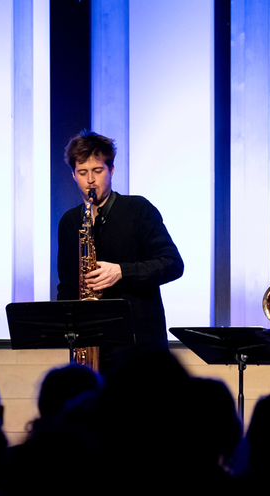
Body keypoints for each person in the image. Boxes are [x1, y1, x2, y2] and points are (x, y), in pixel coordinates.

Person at [56, 130, 183, 371]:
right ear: (74, 175)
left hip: (139, 349)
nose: (90, 180)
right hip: (91, 346)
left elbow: (173, 264)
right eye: (82, 173)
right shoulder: (69, 221)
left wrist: (121, 272)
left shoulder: (138, 209)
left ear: (111, 170)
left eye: (98, 171)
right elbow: (68, 287)